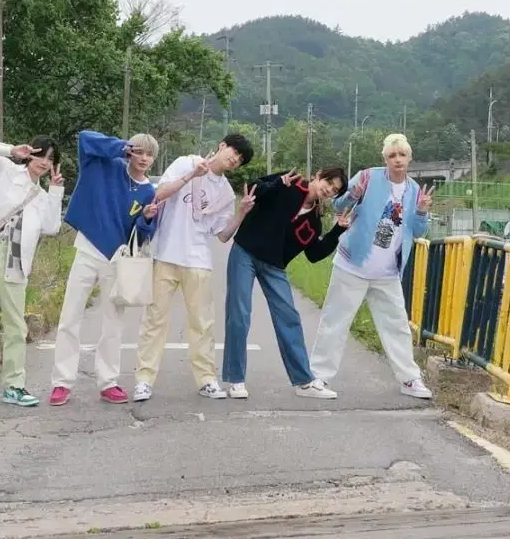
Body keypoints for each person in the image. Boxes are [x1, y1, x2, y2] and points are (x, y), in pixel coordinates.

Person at [310, 134, 434, 399]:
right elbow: (338, 205)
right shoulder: (367, 176)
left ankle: (409, 379)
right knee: (335, 321)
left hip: (388, 272)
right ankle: (318, 376)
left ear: (409, 158)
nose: (397, 160)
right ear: (385, 159)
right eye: (392, 155)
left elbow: (418, 230)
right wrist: (353, 194)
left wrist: (422, 210)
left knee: (397, 325)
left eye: (402, 155)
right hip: (352, 264)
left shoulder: (414, 191)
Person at [133, 133, 255, 403]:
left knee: (202, 324)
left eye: (240, 159)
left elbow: (222, 235)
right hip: (165, 254)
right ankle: (144, 380)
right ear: (221, 145)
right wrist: (191, 176)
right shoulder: (186, 162)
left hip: (199, 261)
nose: (235, 159)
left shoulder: (224, 191)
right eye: (234, 152)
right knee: (154, 320)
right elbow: (159, 193)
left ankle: (206, 379)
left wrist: (242, 212)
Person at [220, 165, 351, 400]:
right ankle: (236, 379)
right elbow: (254, 189)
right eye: (327, 184)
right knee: (239, 314)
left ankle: (304, 382)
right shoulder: (290, 183)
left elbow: (314, 254)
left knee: (289, 318)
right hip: (245, 252)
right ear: (318, 176)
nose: (328, 191)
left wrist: (336, 232)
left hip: (274, 267)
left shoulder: (314, 223)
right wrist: (276, 184)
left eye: (333, 191)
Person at [50, 131, 159, 406]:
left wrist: (146, 219)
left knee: (113, 323)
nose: (143, 158)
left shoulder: (149, 192)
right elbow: (85, 138)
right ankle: (62, 382)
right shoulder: (103, 165)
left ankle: (108, 381)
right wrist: (121, 147)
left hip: (117, 259)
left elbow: (142, 237)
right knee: (70, 316)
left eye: (149, 154)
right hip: (87, 248)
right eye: (138, 151)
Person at [0, 136, 63, 408]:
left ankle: (14, 385)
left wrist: (55, 192)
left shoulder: (42, 196)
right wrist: (12, 151)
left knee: (15, 324)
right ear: (30, 153)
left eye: (51, 160)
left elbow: (52, 227)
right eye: (41, 155)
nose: (44, 163)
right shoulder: (2, 169)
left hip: (17, 259)